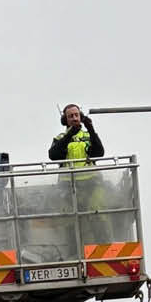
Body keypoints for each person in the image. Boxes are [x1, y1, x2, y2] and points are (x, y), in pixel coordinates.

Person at [48, 105, 109, 245]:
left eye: (76, 115)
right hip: (68, 186)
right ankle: (73, 250)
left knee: (97, 212)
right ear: (65, 120)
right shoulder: (61, 138)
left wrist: (91, 129)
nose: (75, 118)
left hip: (92, 183)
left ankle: (102, 247)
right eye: (71, 116)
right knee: (70, 219)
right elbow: (53, 155)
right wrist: (70, 135)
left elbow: (99, 152)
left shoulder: (88, 136)